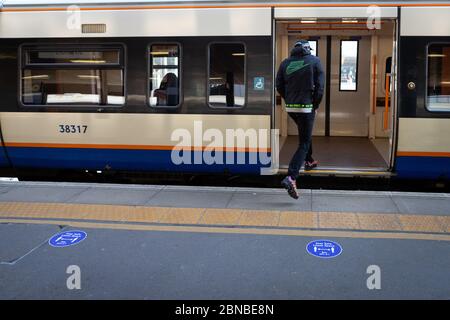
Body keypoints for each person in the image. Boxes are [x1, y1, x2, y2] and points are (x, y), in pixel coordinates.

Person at [276, 40, 324, 199]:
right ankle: (291, 177)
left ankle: (309, 161)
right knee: (303, 142)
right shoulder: (315, 61)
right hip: (306, 107)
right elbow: (320, 87)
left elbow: (279, 85)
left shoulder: (285, 63)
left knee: (305, 134)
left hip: (291, 107)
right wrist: (315, 105)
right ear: (307, 49)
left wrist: (288, 99)